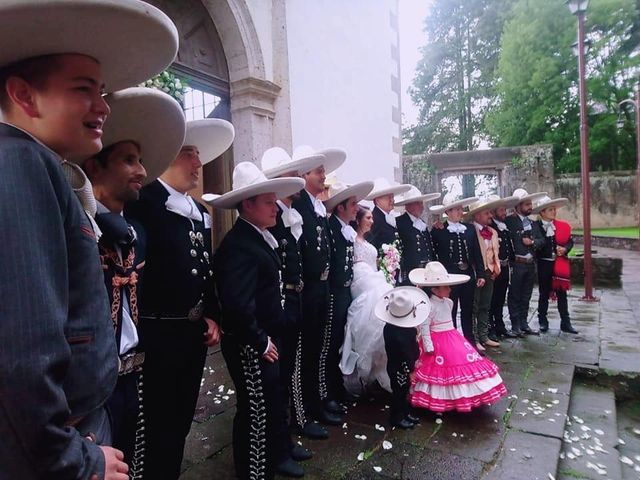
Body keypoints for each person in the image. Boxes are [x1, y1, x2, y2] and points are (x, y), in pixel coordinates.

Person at [0, 1, 177, 479]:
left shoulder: (39, 165)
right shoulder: (19, 163)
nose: (103, 107)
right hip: (58, 447)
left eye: (102, 92)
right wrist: (76, 461)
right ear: (24, 95)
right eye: (84, 90)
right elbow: (22, 356)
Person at [83, 87, 185, 477]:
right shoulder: (79, 230)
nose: (142, 171)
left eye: (140, 160)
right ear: (94, 166)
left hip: (135, 374)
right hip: (93, 388)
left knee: (134, 460)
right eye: (129, 160)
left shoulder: (139, 233)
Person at [125, 118, 234, 480]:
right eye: (191, 153)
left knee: (181, 421)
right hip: (156, 338)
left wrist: (212, 314)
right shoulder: (144, 203)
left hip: (191, 335)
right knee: (155, 426)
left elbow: (206, 270)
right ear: (168, 154)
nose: (198, 164)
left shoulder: (197, 211)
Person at [209, 161, 306, 479]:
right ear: (248, 204)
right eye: (268, 202)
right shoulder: (240, 245)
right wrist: (260, 340)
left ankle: (269, 463)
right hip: (251, 344)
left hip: (265, 338)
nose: (275, 209)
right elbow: (237, 305)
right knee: (255, 412)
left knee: (267, 405)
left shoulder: (256, 237)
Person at [259, 147, 328, 441]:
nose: (297, 181)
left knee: (304, 358)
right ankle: (296, 421)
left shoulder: (291, 213)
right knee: (291, 366)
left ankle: (304, 413)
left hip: (300, 296)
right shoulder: (275, 217)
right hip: (284, 302)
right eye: (291, 175)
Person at [291, 145, 346, 426]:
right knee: (306, 353)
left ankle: (319, 400)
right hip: (308, 288)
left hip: (323, 288)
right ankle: (304, 412)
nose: (324, 176)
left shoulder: (317, 206)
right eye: (319, 171)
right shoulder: (298, 204)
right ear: (303, 175)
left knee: (320, 349)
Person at [409, 262, 507, 412]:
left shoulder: (448, 302)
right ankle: (441, 397)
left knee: (464, 359)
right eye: (445, 287)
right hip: (438, 340)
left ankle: (466, 394)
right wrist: (428, 346)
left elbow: (449, 322)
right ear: (435, 289)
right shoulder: (429, 306)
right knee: (440, 369)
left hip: (452, 336)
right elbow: (425, 328)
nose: (449, 290)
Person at [322, 181, 374, 413]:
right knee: (331, 344)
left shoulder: (346, 229)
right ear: (340, 207)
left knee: (343, 340)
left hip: (346, 291)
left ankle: (338, 387)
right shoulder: (330, 226)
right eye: (353, 205)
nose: (356, 209)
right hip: (334, 292)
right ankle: (329, 392)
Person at [340, 206, 395, 394]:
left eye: (372, 217)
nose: (372, 221)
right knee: (372, 313)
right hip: (363, 283)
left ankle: (381, 367)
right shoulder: (351, 240)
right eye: (368, 217)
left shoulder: (368, 241)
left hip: (374, 278)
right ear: (359, 220)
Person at [429, 195, 484, 346]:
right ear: (448, 212)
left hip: (467, 275)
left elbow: (477, 252)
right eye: (457, 209)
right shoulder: (439, 230)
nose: (461, 212)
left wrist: (480, 273)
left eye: (461, 209)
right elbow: (433, 254)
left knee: (468, 309)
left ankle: (470, 342)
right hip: (449, 277)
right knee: (449, 310)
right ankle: (452, 344)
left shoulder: (470, 229)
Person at [375, 287, 430, 429]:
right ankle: (397, 417)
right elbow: (404, 355)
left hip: (399, 366)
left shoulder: (393, 328)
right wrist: (410, 370)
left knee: (404, 391)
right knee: (399, 392)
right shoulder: (400, 335)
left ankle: (405, 413)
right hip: (400, 368)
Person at [531, 196, 579, 334]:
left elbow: (569, 242)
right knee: (544, 293)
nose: (554, 212)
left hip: (559, 264)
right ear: (542, 212)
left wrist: (565, 249)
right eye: (550, 210)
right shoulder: (536, 227)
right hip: (544, 264)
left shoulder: (561, 226)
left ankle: (566, 322)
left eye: (554, 209)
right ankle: (542, 321)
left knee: (562, 293)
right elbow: (537, 245)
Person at [504, 189, 548, 337]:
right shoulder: (509, 222)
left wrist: (532, 242)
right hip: (517, 263)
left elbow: (542, 241)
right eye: (527, 204)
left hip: (530, 264)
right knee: (515, 294)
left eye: (531, 204)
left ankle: (524, 323)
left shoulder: (533, 223)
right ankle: (515, 324)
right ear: (518, 206)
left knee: (527, 295)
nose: (530, 207)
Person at [464, 197, 504, 350]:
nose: (490, 216)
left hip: (490, 272)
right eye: (487, 213)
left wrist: (496, 269)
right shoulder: (469, 230)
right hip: (476, 273)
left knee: (485, 306)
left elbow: (495, 253)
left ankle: (484, 335)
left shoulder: (493, 231)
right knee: (474, 306)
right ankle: (474, 338)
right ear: (477, 215)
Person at [488, 195, 519, 341]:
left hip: (505, 267)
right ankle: (491, 327)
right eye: (501, 210)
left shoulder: (504, 226)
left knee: (500, 299)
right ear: (493, 212)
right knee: (492, 299)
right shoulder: (490, 227)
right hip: (495, 268)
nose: (504, 213)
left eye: (504, 210)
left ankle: (500, 325)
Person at [395, 186, 441, 284]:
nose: (422, 207)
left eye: (421, 203)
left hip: (427, 273)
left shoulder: (422, 223)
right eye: (418, 203)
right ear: (408, 205)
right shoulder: (399, 223)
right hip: (411, 274)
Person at [366, 177, 411, 254]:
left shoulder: (388, 217)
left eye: (392, 197)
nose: (392, 200)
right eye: (388, 197)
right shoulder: (374, 220)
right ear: (377, 200)